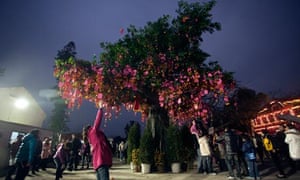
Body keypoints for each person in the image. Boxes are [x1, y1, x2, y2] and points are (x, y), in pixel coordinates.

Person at [83, 106, 113, 180]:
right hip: (102, 161)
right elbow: (97, 121)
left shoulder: (91, 139)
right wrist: (100, 109)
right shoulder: (94, 132)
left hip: (97, 164)